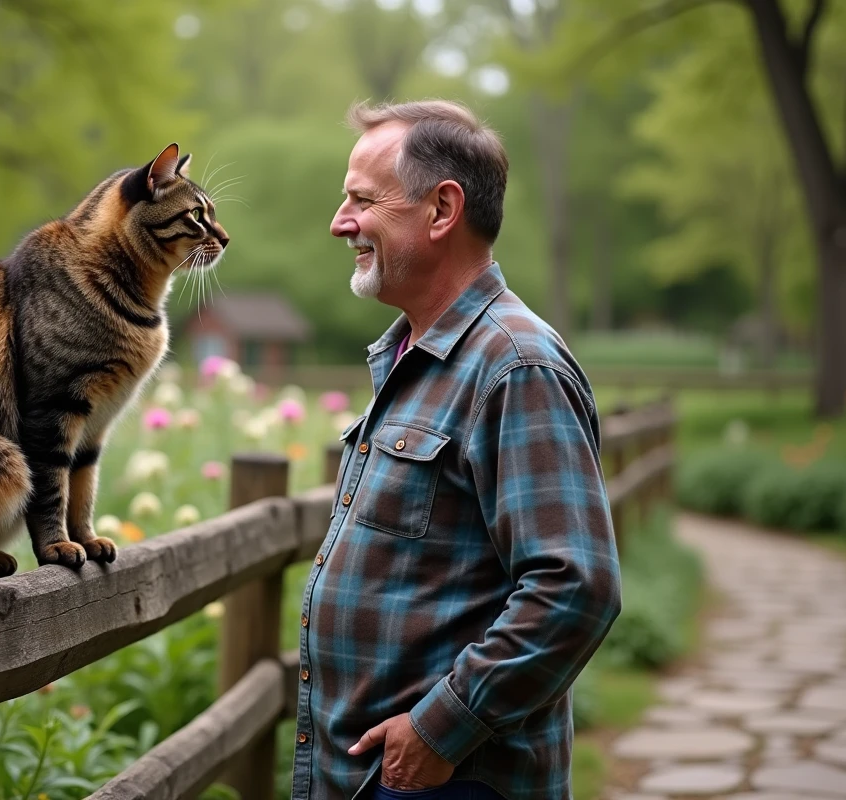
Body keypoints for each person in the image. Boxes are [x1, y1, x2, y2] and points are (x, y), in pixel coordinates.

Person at [290, 100, 622, 800]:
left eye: (362, 200)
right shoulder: (419, 355)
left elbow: (575, 588)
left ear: (442, 210)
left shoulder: (515, 365)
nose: (340, 222)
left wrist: (442, 728)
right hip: (382, 778)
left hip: (452, 779)